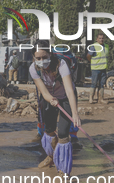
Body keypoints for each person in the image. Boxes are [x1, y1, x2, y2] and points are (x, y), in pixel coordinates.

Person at [30, 41, 81, 175]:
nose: (42, 61)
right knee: (49, 129)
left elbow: (69, 91)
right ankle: (52, 156)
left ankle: (63, 170)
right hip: (49, 98)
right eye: (38, 58)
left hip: (65, 97)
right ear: (34, 58)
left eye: (45, 57)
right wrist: (50, 99)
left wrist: (75, 114)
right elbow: (43, 91)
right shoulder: (33, 69)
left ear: (50, 55)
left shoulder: (61, 64)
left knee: (64, 133)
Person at [86, 33, 108, 103]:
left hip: (103, 68)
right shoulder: (94, 46)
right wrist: (91, 61)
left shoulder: (106, 46)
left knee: (102, 84)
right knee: (94, 84)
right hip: (95, 69)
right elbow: (88, 55)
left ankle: (101, 99)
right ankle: (91, 99)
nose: (101, 39)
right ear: (97, 39)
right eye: (100, 38)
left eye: (102, 38)